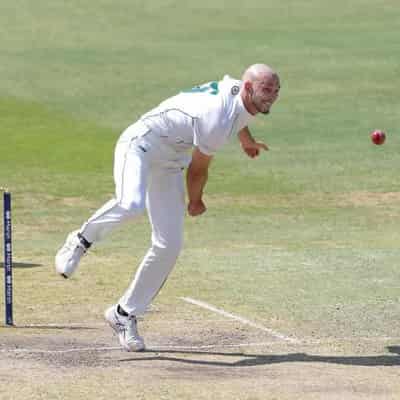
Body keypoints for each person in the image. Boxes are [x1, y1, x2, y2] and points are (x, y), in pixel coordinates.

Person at [55, 63, 281, 352]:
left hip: (171, 160)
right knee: (131, 203)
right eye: (266, 89)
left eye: (276, 90)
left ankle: (124, 315)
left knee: (169, 244)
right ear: (249, 87)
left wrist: (246, 140)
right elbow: (198, 171)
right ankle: (80, 240)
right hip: (140, 144)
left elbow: (238, 116)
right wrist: (195, 200)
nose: (272, 95)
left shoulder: (237, 92)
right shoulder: (216, 118)